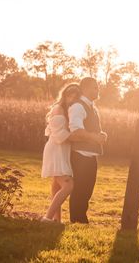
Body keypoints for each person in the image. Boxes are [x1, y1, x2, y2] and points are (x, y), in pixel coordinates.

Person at [67, 77, 107, 224]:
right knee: (80, 190)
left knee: (87, 190)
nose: (97, 90)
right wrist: (95, 138)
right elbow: (76, 131)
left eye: (97, 87)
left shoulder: (92, 107)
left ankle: (81, 219)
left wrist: (101, 135)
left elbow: (91, 130)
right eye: (94, 87)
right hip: (80, 155)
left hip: (90, 155)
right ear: (84, 89)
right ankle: (77, 221)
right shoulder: (78, 106)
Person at [40, 82, 81, 222]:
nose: (72, 99)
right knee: (68, 184)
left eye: (75, 97)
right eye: (70, 95)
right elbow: (58, 134)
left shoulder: (69, 110)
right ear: (65, 95)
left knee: (57, 186)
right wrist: (79, 136)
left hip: (63, 149)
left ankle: (56, 220)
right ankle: (47, 218)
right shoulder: (58, 109)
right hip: (56, 149)